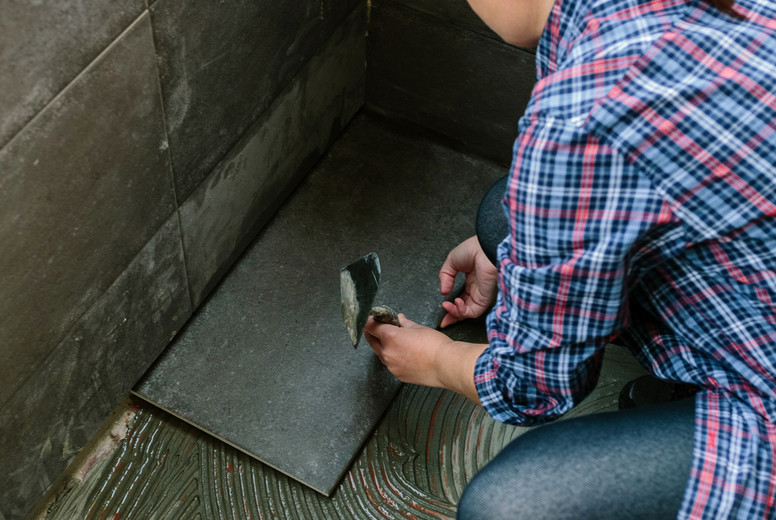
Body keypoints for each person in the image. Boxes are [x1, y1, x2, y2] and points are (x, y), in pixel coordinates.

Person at [363, 0, 776, 517]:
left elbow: (533, 389)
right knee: (501, 216)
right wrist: (525, 254)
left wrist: (438, 362)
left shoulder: (590, 109)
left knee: (509, 507)